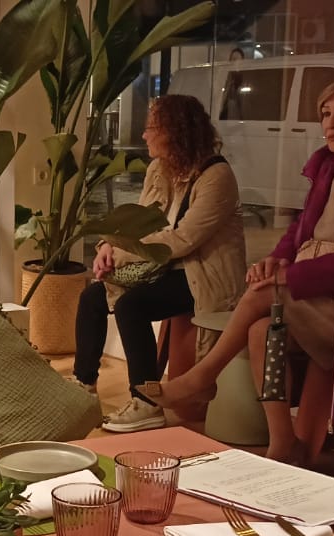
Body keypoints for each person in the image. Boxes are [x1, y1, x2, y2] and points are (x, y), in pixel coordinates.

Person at [143, 74, 334, 490]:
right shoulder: (330, 166)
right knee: (260, 328)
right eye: (325, 113)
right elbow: (300, 231)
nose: (331, 123)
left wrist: (290, 276)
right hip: (325, 297)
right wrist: (276, 259)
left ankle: (201, 378)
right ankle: (282, 443)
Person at [73, 95, 247, 433]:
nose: (144, 135)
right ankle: (84, 386)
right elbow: (138, 224)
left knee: (132, 306)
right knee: (92, 296)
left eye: (152, 128)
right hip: (161, 267)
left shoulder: (217, 176)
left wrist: (120, 253)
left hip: (202, 276)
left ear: (176, 132)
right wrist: (109, 246)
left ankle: (146, 402)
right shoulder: (159, 169)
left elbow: (183, 240)